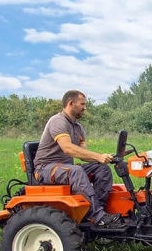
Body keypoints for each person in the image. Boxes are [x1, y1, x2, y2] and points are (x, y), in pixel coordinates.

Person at [33, 90, 122, 226]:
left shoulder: (78, 128)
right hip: (46, 168)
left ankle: (98, 210)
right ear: (70, 103)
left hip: (64, 168)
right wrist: (98, 156)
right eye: (82, 104)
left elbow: (83, 154)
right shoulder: (58, 121)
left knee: (102, 169)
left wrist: (105, 157)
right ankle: (98, 217)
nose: (85, 107)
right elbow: (67, 148)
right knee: (76, 171)